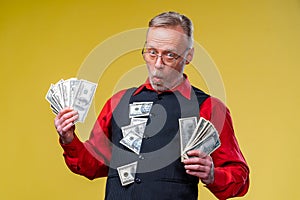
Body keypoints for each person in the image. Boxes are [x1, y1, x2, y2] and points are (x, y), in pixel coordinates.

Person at [54, 11, 249, 200]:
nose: (157, 64)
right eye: (152, 52)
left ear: (188, 56)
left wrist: (213, 174)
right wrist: (69, 139)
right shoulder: (118, 102)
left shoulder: (209, 107)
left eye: (170, 55)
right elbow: (92, 166)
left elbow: (240, 177)